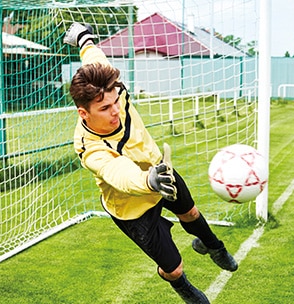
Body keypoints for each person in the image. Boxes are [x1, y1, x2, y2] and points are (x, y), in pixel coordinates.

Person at [64, 22, 238, 304]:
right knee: (174, 267)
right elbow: (116, 172)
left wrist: (84, 37)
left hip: (160, 168)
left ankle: (213, 246)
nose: (115, 111)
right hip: (131, 206)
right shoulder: (88, 146)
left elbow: (94, 57)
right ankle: (181, 285)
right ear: (84, 113)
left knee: (191, 213)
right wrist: (148, 181)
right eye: (105, 109)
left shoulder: (114, 90)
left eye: (115, 103)